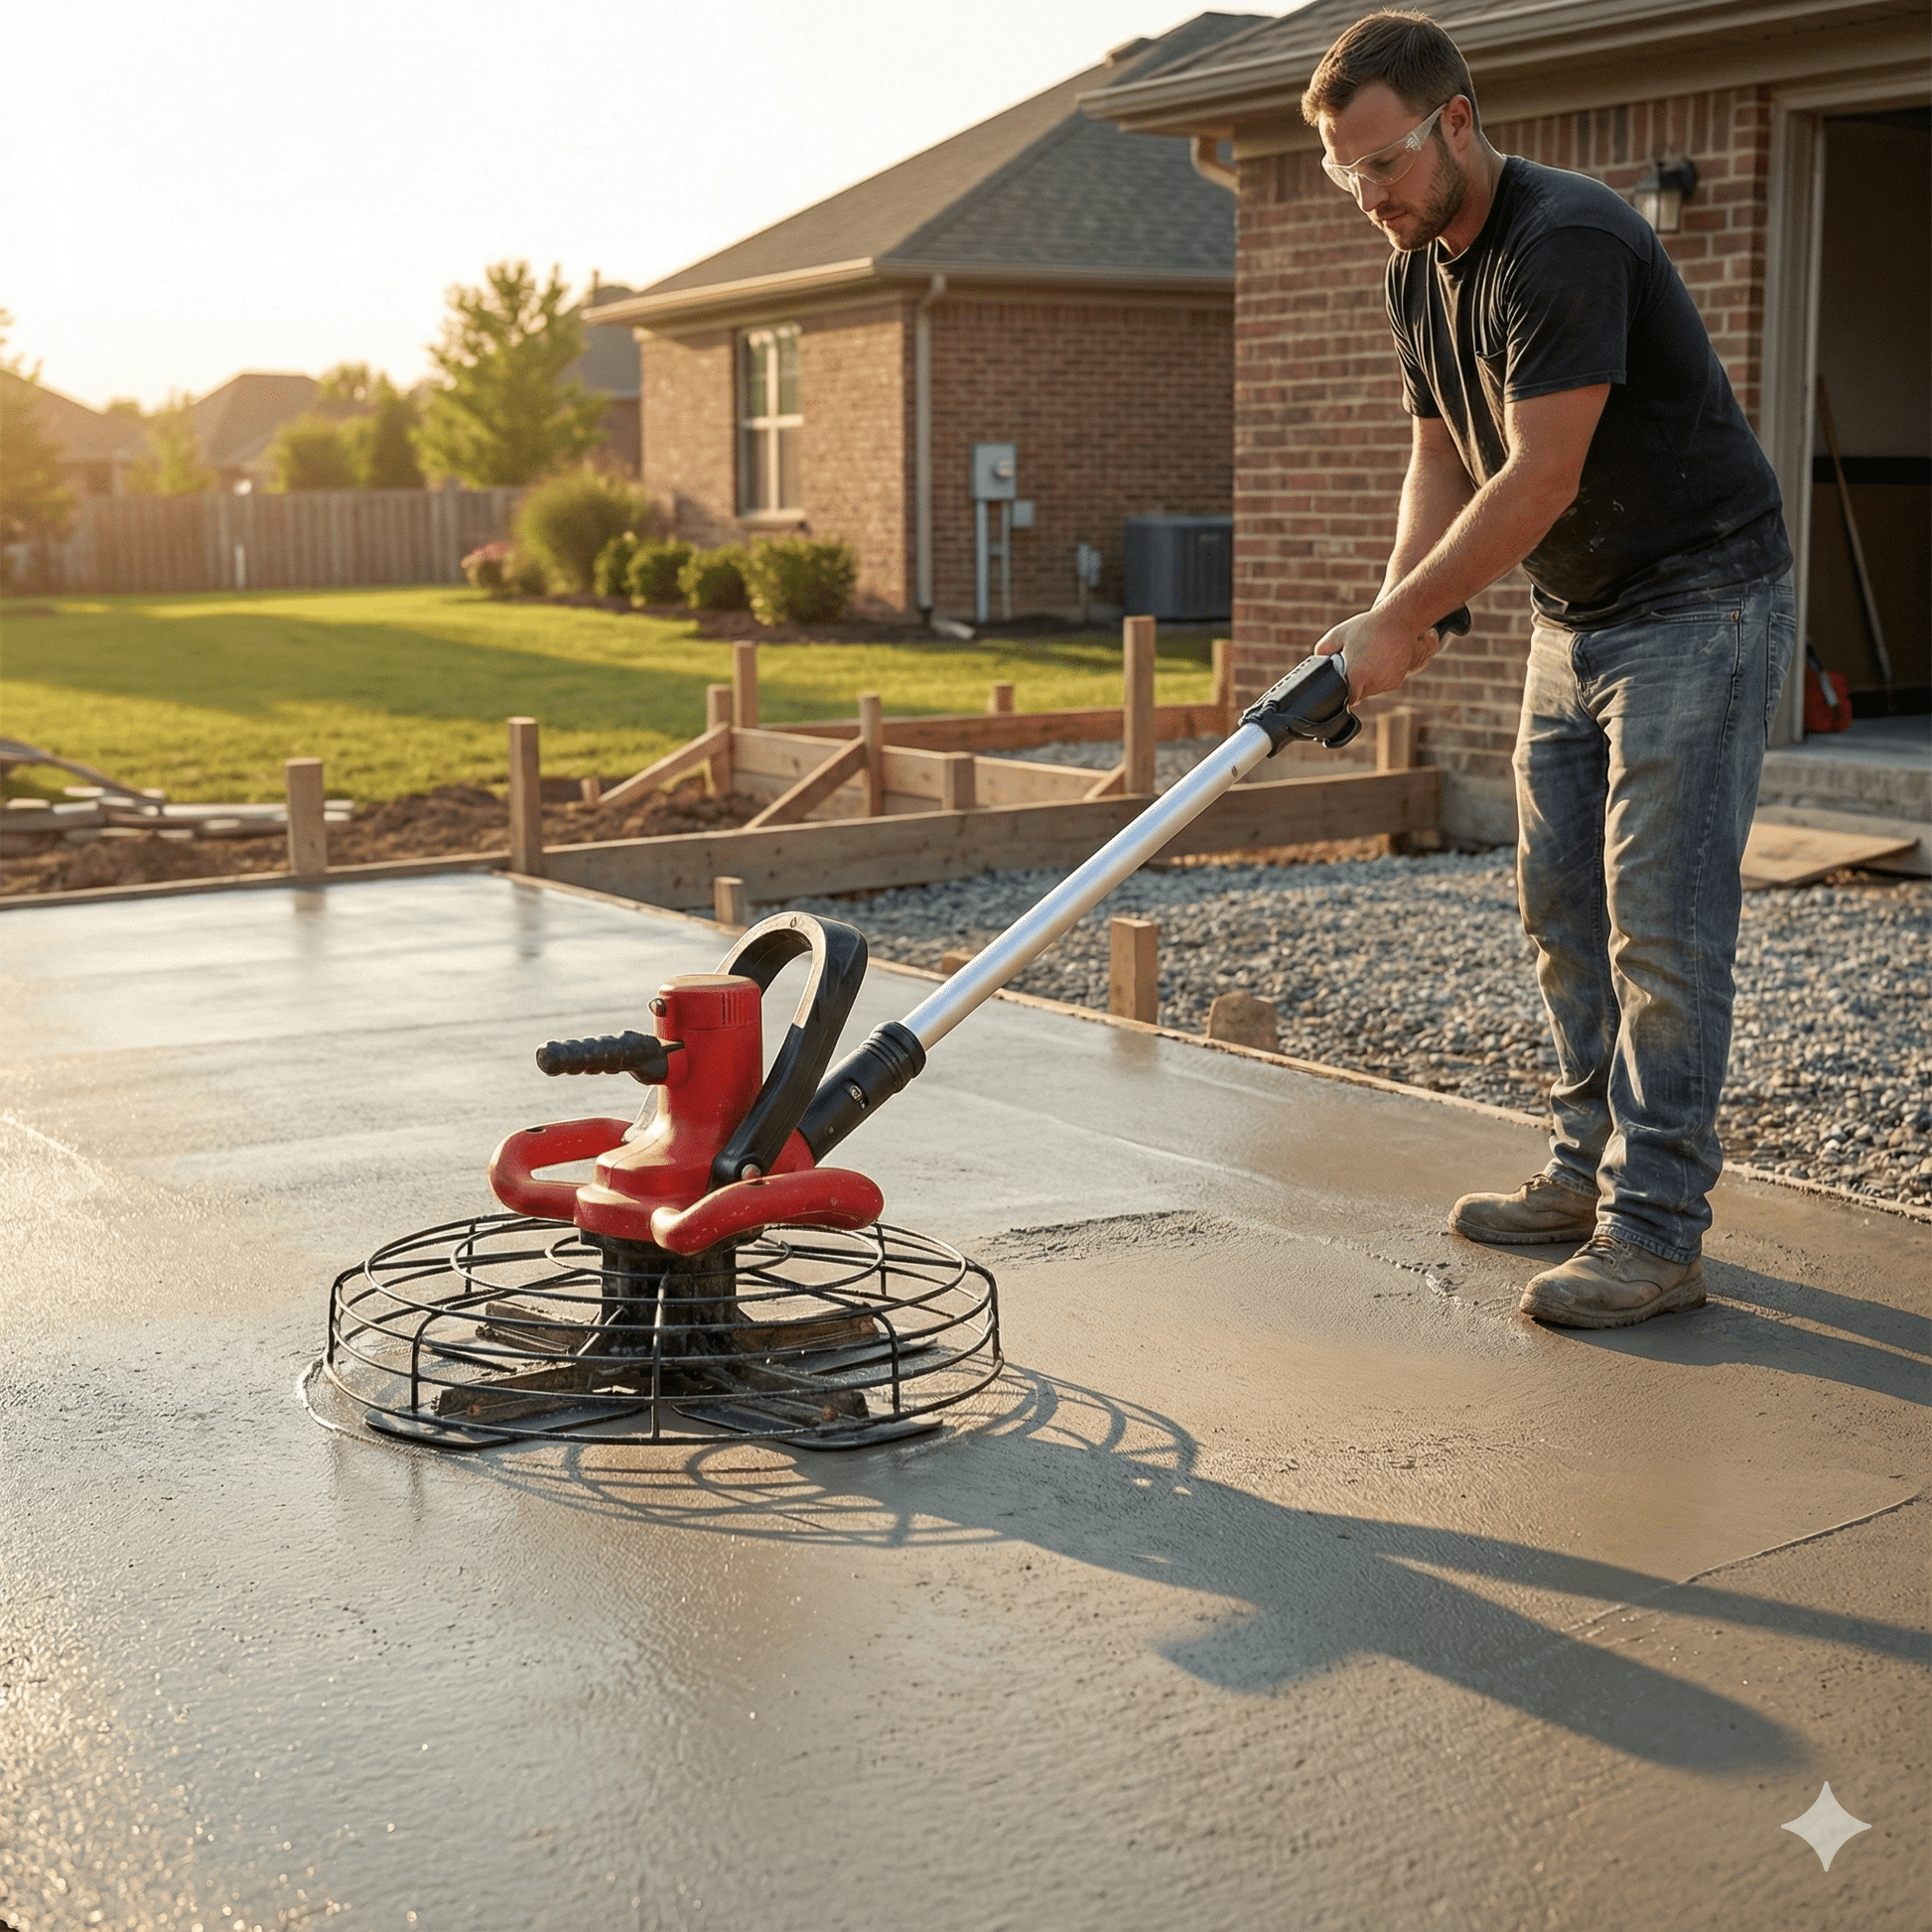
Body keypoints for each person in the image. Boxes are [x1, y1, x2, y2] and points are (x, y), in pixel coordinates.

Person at [1301, 11, 1794, 1329]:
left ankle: (1654, 1230)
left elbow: (1540, 470)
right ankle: (1581, 1175)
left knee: (1662, 928)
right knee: (1557, 907)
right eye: (1343, 172)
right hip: (1572, 615)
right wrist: (1395, 613)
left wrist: (1406, 617)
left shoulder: (1562, 238)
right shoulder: (1416, 267)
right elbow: (1442, 457)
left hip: (1700, 596)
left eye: (1384, 162)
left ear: (1456, 120)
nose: (1368, 196)